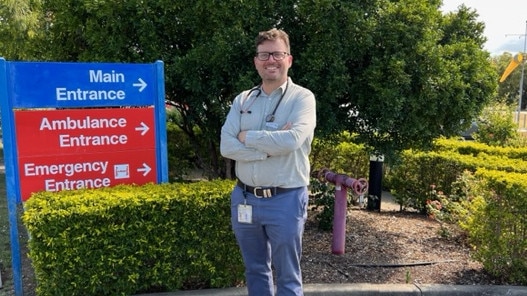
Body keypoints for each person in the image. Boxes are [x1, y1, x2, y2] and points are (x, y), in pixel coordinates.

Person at [220, 28, 316, 296]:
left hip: (285, 199)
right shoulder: (243, 100)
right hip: (245, 198)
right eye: (264, 55)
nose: (270, 60)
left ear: (289, 59)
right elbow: (227, 146)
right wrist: (268, 148)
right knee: (255, 269)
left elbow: (292, 140)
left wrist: (247, 136)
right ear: (256, 61)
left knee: (287, 273)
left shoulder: (302, 98)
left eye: (277, 54)